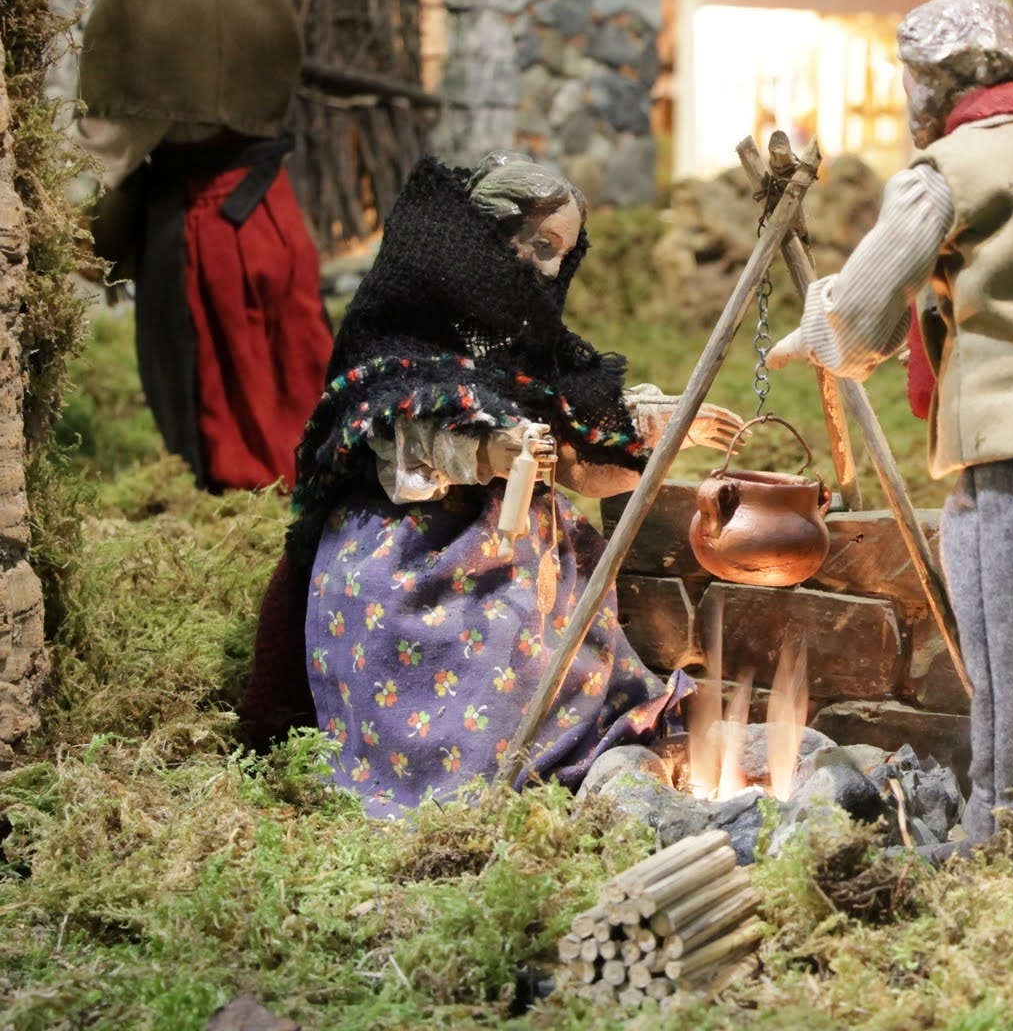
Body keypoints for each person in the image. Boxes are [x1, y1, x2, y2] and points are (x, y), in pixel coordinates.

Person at [767, 0, 1013, 859]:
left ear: (930, 82)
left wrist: (810, 335)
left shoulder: (947, 172)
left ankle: (1002, 844)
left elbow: (860, 318)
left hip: (1010, 445)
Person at [242, 153, 744, 817]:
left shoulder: (529, 353)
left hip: (529, 554)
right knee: (468, 670)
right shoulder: (399, 336)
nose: (548, 271)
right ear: (485, 235)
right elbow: (396, 444)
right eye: (539, 246)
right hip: (414, 555)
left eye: (560, 255)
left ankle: (585, 753)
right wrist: (485, 451)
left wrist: (656, 429)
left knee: (563, 654)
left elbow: (581, 462)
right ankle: (464, 782)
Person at [73, 0, 332, 491]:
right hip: (274, 212)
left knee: (228, 381)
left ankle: (253, 492)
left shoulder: (156, 12)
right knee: (293, 359)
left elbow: (113, 149)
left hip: (209, 225)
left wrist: (92, 225)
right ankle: (317, 481)